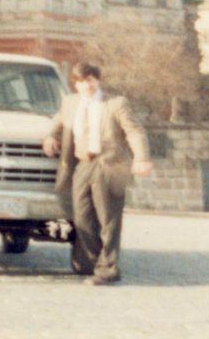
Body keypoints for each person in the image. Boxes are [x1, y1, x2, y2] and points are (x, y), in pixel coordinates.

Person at [43, 61, 153, 285]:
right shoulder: (70, 103)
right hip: (82, 165)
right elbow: (58, 122)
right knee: (81, 218)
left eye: (91, 79)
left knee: (108, 220)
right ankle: (93, 262)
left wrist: (141, 158)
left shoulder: (115, 104)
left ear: (98, 80)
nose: (88, 85)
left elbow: (134, 131)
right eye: (82, 81)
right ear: (76, 84)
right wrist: (50, 136)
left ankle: (107, 269)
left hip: (108, 166)